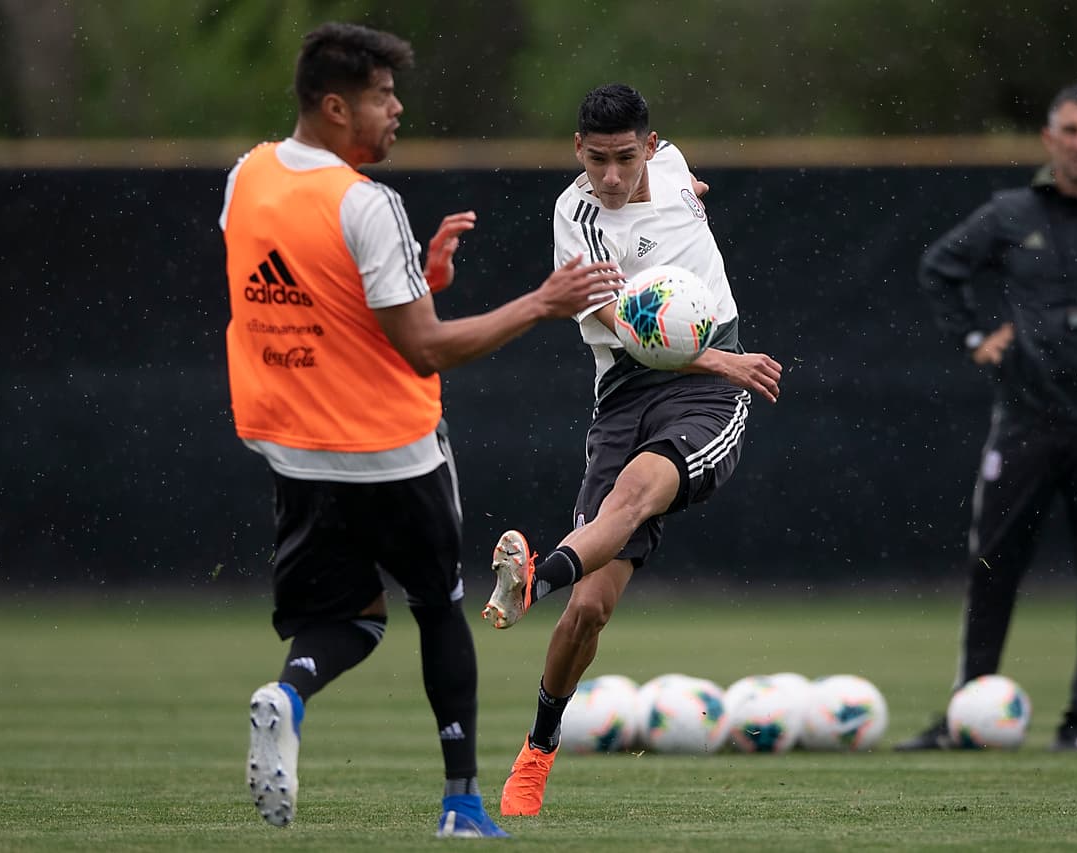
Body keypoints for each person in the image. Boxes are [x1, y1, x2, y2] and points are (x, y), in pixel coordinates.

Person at [218, 22, 621, 836]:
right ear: (336, 107)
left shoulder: (247, 178)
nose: (397, 109)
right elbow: (426, 346)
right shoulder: (366, 204)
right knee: (439, 607)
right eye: (381, 96)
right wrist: (543, 302)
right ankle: (462, 805)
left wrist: (420, 277)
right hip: (390, 450)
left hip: (294, 448)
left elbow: (314, 295)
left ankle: (288, 692)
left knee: (353, 617)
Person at [478, 83, 783, 816]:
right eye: (595, 160)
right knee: (587, 611)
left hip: (707, 398)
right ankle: (536, 753)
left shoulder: (673, 166)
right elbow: (624, 320)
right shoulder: (572, 215)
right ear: (575, 151)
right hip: (627, 393)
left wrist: (722, 364)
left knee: (635, 494)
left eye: (624, 158)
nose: (610, 177)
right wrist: (720, 357)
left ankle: (532, 578)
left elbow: (680, 180)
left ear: (650, 146)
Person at [898, 83, 1077, 753]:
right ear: (1049, 138)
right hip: (1025, 417)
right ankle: (966, 716)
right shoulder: (1011, 213)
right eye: (1071, 130)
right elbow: (939, 266)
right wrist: (977, 338)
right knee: (992, 566)